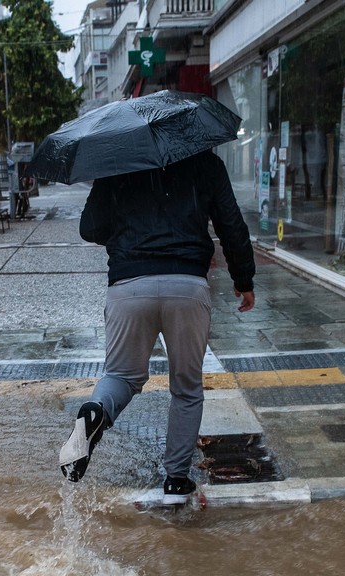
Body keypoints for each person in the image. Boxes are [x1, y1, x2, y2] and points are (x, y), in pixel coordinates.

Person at [58, 149, 256, 504]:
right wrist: (244, 278)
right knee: (186, 387)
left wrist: (132, 230)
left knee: (121, 377)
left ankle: (96, 413)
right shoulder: (206, 162)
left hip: (128, 286)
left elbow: (90, 227)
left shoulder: (117, 161)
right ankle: (176, 481)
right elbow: (231, 223)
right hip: (187, 286)